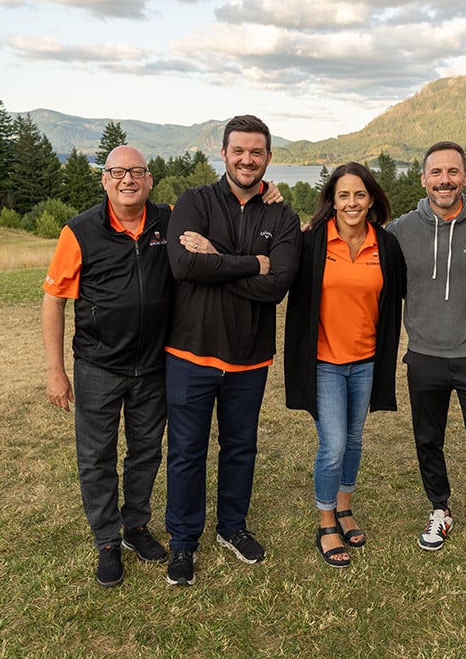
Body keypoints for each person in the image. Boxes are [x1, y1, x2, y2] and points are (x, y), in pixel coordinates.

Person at [163, 114, 301, 586]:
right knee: (186, 452)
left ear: (268, 157)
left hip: (250, 357)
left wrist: (215, 257)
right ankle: (182, 543)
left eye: (257, 152)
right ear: (222, 153)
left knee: (240, 448)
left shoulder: (282, 215)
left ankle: (232, 527)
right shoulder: (194, 201)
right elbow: (182, 264)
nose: (247, 159)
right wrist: (250, 264)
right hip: (190, 354)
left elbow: (277, 285)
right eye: (238, 150)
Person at [41, 145, 174, 587]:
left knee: (146, 451)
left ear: (149, 179)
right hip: (98, 365)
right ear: (104, 181)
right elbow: (54, 299)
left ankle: (135, 527)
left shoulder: (169, 220)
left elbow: (222, 207)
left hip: (154, 365)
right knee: (96, 456)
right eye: (117, 172)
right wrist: (55, 371)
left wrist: (268, 192)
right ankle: (106, 541)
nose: (127, 180)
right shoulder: (79, 231)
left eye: (136, 171)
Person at [386, 141, 466, 562]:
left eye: (453, 172)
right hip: (425, 355)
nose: (444, 181)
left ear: (465, 178)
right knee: (427, 439)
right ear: (423, 179)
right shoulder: (401, 229)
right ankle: (440, 508)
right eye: (436, 173)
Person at [283, 163, 405, 568]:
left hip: (367, 361)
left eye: (359, 195)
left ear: (371, 199)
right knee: (332, 445)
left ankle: (345, 507)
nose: (351, 203)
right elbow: (279, 271)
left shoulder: (385, 246)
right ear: (331, 201)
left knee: (353, 441)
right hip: (324, 363)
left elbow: (399, 297)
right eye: (343, 195)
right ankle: (326, 522)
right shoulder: (311, 242)